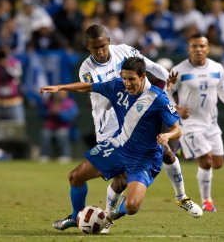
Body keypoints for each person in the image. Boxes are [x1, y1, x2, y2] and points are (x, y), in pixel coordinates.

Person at [54, 24, 202, 233]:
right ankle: (87, 216)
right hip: (109, 125)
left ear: (109, 42)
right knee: (119, 180)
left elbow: (151, 66)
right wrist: (118, 93)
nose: (101, 51)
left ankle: (181, 197)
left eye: (103, 46)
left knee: (166, 152)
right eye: (95, 48)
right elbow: (102, 102)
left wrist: (166, 80)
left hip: (140, 116)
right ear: (87, 47)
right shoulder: (87, 69)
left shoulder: (124, 51)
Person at [39, 57, 182, 231]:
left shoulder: (157, 98)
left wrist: (168, 135)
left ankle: (110, 215)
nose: (127, 83)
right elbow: (89, 86)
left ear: (143, 76)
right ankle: (76, 216)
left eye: (131, 79)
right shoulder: (117, 85)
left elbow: (177, 129)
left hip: (144, 159)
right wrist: (61, 87)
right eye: (124, 78)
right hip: (118, 147)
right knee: (75, 177)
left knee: (131, 207)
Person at [168, 34, 224, 212]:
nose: (198, 50)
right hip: (190, 124)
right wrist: (176, 108)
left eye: (202, 46)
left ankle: (187, 149)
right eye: (194, 46)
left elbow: (221, 87)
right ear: (189, 49)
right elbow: (166, 92)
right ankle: (207, 201)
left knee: (218, 163)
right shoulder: (179, 70)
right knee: (206, 161)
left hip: (212, 124)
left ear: (208, 48)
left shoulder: (217, 68)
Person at [38, 90, 79, 163]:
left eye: (62, 93)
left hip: (65, 127)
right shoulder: (50, 102)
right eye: (58, 93)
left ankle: (65, 156)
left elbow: (71, 116)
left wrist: (59, 113)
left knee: (62, 134)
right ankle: (44, 155)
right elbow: (41, 114)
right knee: (45, 133)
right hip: (50, 127)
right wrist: (49, 112)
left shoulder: (70, 103)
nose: (60, 94)